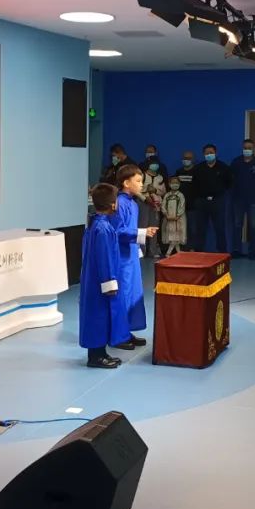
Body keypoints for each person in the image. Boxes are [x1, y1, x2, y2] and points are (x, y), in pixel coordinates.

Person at [79, 184, 130, 369]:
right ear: (113, 204)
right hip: (100, 281)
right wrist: (109, 282)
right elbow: (105, 257)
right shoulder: (103, 228)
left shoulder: (96, 224)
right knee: (99, 317)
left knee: (100, 316)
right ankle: (95, 357)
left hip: (93, 279)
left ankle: (101, 352)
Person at [110, 165, 158, 351]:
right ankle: (117, 335)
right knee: (122, 295)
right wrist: (142, 232)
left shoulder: (134, 204)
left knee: (132, 294)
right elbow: (118, 231)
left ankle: (126, 330)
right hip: (121, 257)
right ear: (126, 183)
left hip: (131, 254)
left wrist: (138, 245)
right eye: (138, 181)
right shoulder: (120, 203)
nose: (141, 185)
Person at [229, 139, 255, 259]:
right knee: (237, 225)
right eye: (245, 148)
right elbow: (230, 177)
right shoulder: (236, 162)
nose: (247, 150)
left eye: (249, 148)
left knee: (254, 226)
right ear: (242, 148)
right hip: (238, 199)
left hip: (253, 199)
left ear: (253, 148)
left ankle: (252, 252)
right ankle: (236, 250)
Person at [192, 144, 232, 253]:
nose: (209, 155)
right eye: (207, 153)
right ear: (203, 154)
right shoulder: (198, 168)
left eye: (211, 152)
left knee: (220, 227)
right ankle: (199, 251)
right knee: (200, 228)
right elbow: (194, 185)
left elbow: (229, 183)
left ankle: (222, 252)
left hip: (217, 201)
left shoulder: (223, 167)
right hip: (202, 201)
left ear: (216, 153)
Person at [140, 156, 167, 259]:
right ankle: (141, 251)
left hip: (156, 205)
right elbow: (137, 190)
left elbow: (163, 191)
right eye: (152, 163)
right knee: (142, 226)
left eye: (156, 163)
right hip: (143, 203)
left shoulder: (160, 177)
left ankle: (152, 251)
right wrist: (145, 197)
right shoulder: (142, 175)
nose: (154, 165)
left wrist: (155, 191)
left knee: (154, 227)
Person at [174, 150, 199, 250]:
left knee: (193, 229)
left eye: (188, 158)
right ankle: (181, 249)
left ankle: (192, 249)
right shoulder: (179, 172)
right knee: (180, 228)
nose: (186, 160)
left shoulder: (197, 172)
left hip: (193, 205)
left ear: (193, 160)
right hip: (180, 206)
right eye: (184, 158)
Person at [161, 177, 187, 256]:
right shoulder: (167, 195)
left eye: (177, 183)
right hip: (168, 218)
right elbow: (163, 206)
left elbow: (182, 206)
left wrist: (177, 216)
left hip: (178, 219)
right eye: (173, 183)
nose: (175, 184)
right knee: (172, 235)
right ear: (169, 184)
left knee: (177, 235)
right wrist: (166, 215)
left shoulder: (180, 195)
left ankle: (168, 253)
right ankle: (179, 253)